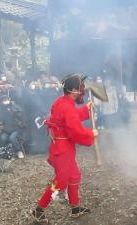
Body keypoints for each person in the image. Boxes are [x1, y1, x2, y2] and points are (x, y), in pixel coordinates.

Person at [32, 74, 98, 223]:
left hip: (61, 147)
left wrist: (86, 109)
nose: (83, 90)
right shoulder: (67, 106)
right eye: (81, 88)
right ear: (74, 90)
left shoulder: (62, 102)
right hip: (63, 150)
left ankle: (75, 208)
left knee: (74, 176)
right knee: (60, 182)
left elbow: (70, 117)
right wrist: (91, 134)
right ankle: (38, 210)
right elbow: (74, 129)